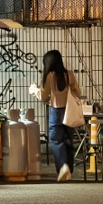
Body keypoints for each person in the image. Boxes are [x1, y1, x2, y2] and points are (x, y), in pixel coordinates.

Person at [37, 50, 81, 182]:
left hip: (56, 112)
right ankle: (69, 171)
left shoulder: (49, 76)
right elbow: (78, 92)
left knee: (56, 140)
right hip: (69, 112)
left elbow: (43, 96)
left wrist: (35, 90)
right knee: (68, 141)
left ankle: (63, 167)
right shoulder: (69, 75)